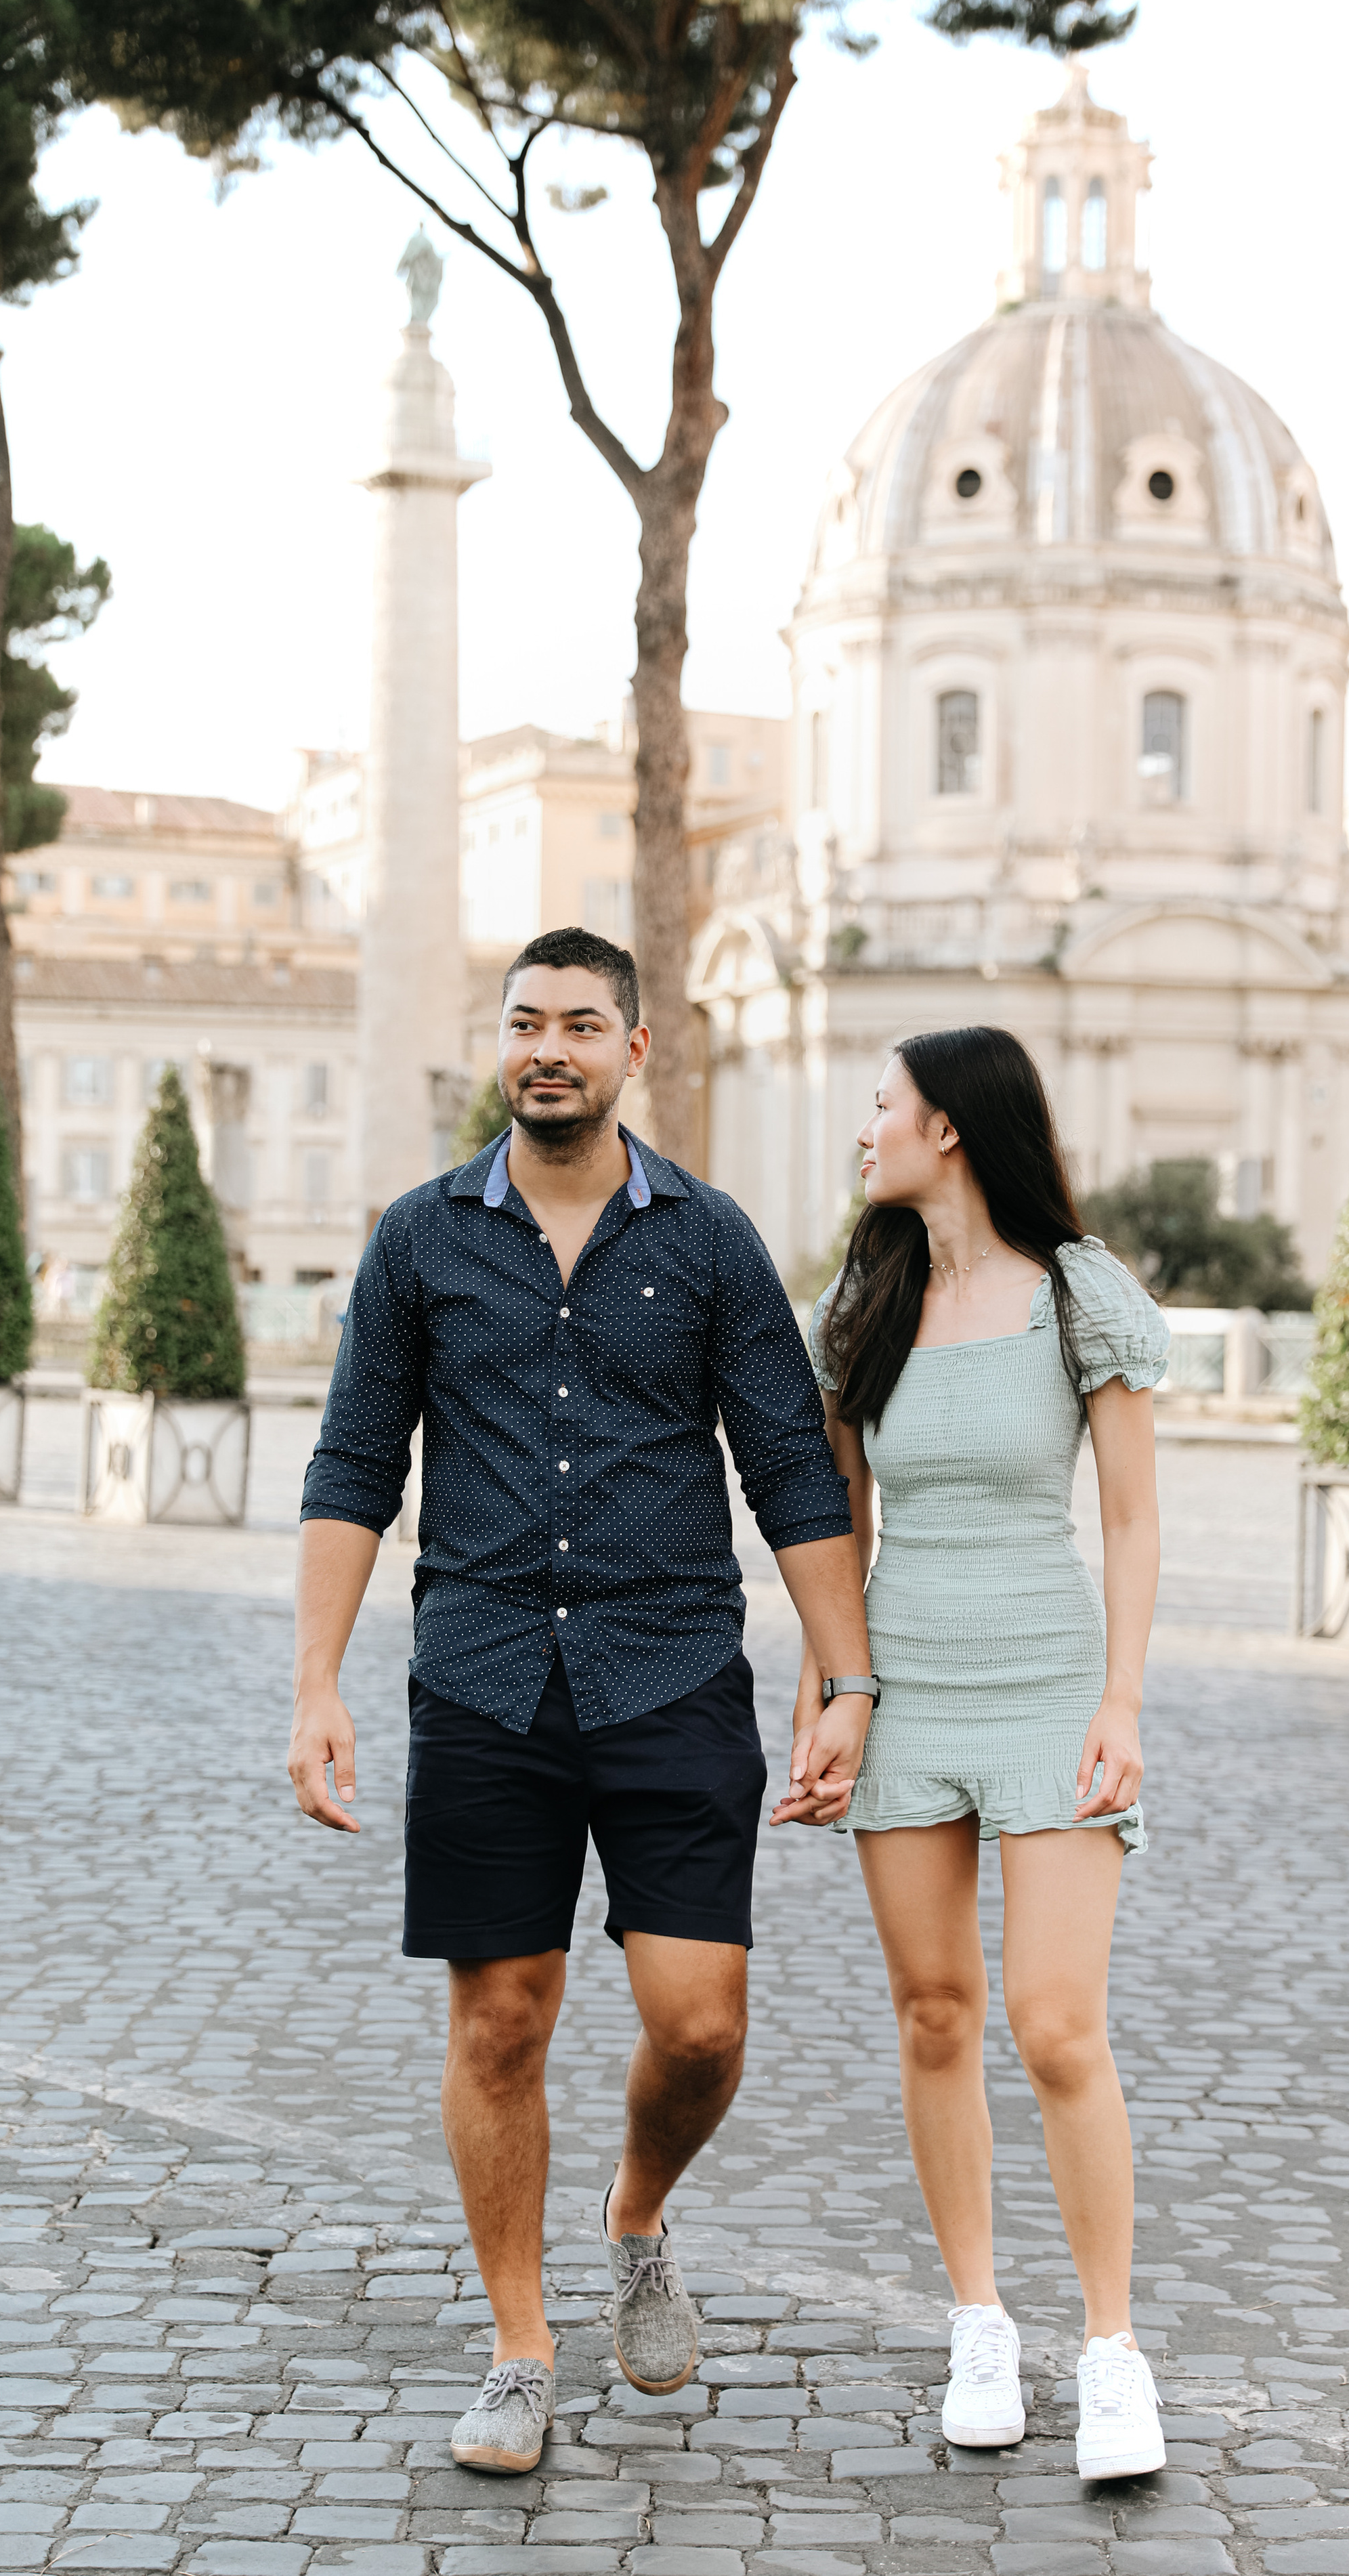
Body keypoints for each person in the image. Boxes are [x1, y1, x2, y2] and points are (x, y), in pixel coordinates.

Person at [288, 926, 876, 2475]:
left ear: (633, 1051)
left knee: (700, 2022)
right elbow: (354, 1465)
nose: (546, 1048)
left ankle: (634, 2214)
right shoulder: (418, 1241)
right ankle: (518, 2351)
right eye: (524, 1023)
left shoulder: (710, 1240)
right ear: (502, 1044)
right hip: (481, 1678)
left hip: (670, 1671)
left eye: (578, 1025)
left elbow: (789, 1468)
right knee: (500, 2022)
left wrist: (846, 1680)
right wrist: (316, 1685)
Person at [796, 1025, 1169, 2481]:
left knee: (1056, 2024)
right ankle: (979, 2324)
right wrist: (829, 1700)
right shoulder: (864, 1306)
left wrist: (1120, 1704)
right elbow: (836, 1531)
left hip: (1049, 1685)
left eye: (881, 1107)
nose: (864, 1131)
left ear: (946, 1126)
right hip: (905, 1690)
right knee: (935, 2014)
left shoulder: (1081, 1295)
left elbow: (1129, 1519)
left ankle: (1112, 2349)